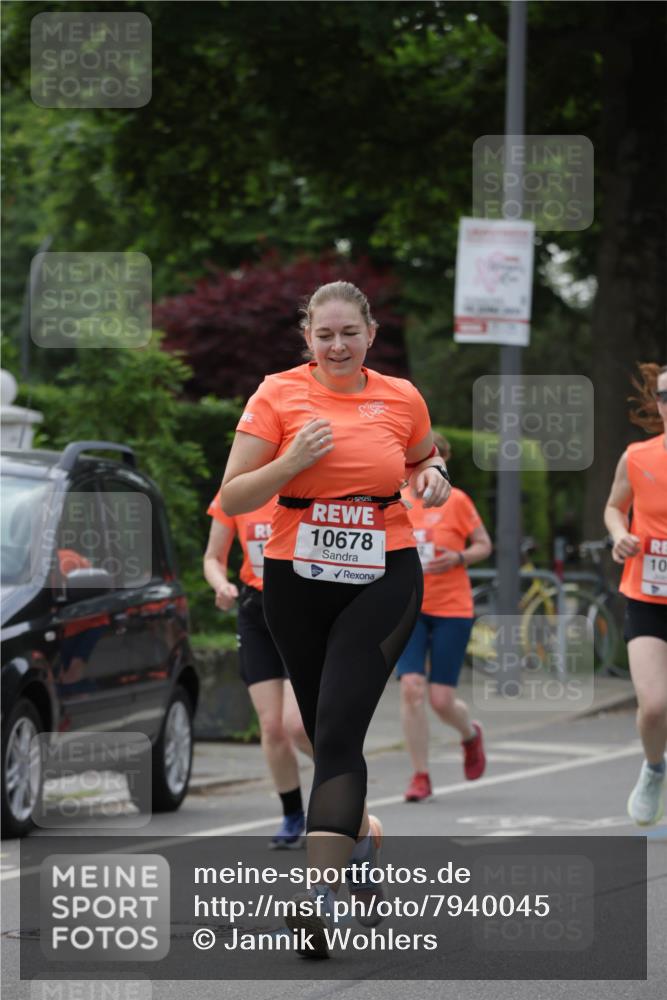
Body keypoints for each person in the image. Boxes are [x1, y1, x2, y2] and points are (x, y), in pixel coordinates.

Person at [219, 280, 450, 957]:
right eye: (324, 335)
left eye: (350, 332)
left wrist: (432, 475)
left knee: (339, 731)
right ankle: (363, 841)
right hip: (294, 577)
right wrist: (292, 461)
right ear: (307, 339)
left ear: (370, 334)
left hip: (384, 572)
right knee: (323, 734)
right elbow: (233, 492)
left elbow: (422, 457)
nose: (338, 344)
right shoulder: (276, 394)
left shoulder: (401, 396)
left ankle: (317, 901)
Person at [204, 491, 312, 848]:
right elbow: (213, 558)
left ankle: (343, 777)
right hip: (255, 611)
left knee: (297, 726)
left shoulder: (305, 485)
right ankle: (293, 814)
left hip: (302, 611)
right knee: (271, 726)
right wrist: (221, 585)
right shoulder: (237, 492)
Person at [397, 433, 492, 801]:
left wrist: (459, 558)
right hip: (409, 608)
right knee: (411, 689)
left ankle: (469, 734)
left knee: (440, 699)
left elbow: (484, 545)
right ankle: (420, 775)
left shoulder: (459, 501)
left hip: (452, 608)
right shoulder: (398, 502)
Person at [604, 363, 667, 826]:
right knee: (654, 706)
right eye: (664, 397)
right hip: (647, 592)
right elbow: (613, 507)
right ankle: (653, 768)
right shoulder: (638, 456)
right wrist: (618, 534)